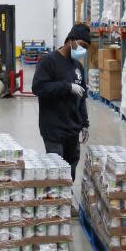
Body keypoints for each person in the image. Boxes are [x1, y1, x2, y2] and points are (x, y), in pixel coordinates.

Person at [31, 24, 90, 180]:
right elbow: (38, 88)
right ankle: (57, 201)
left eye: (86, 48)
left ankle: (67, 200)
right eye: (82, 45)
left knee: (71, 168)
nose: (83, 51)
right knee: (57, 172)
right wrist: (67, 87)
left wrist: (84, 123)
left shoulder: (78, 67)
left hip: (72, 129)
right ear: (71, 41)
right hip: (54, 128)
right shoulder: (48, 62)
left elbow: (82, 97)